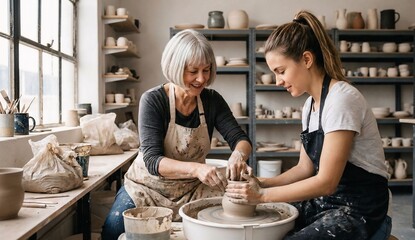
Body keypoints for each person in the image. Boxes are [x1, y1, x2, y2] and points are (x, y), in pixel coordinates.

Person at [225, 10, 390, 240]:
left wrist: (261, 195)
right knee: (272, 226)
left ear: (306, 59)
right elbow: (304, 169)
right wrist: (261, 182)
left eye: (281, 71)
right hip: (328, 201)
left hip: (360, 206)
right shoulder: (310, 105)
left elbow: (327, 182)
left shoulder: (341, 99)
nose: (277, 81)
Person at [101, 29, 252, 240]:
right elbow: (153, 161)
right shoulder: (153, 100)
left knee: (235, 215)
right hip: (148, 188)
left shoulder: (212, 100)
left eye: (206, 70)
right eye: (193, 71)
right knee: (115, 227)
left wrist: (239, 155)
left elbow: (241, 139)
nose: (201, 78)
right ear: (176, 67)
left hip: (193, 188)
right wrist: (198, 168)